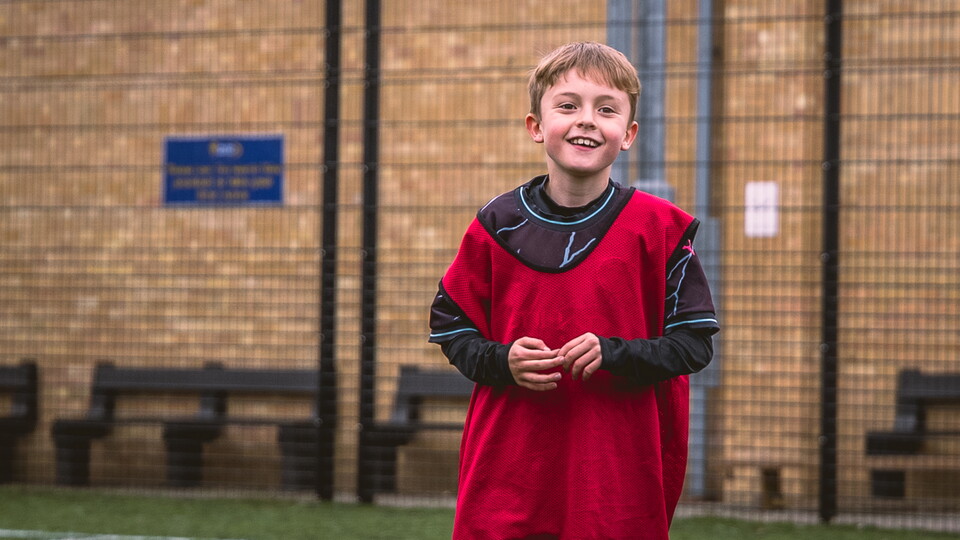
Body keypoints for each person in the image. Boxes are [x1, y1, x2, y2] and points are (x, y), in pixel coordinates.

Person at [428, 41, 719, 539]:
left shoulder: (660, 230)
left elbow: (694, 346)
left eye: (606, 109)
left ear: (627, 135)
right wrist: (504, 361)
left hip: (613, 473)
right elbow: (452, 330)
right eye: (568, 105)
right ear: (536, 127)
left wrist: (614, 353)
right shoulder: (495, 224)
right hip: (510, 465)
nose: (586, 120)